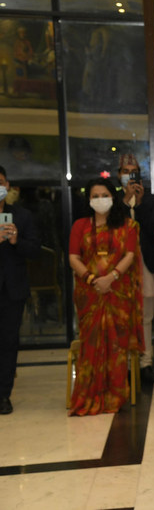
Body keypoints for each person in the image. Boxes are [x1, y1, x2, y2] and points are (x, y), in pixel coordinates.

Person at [68, 177, 142, 416]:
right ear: (88, 200)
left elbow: (130, 255)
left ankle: (114, 396)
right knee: (90, 346)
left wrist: (111, 277)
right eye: (95, 196)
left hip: (118, 294)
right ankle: (88, 395)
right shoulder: (80, 226)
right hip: (89, 295)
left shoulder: (128, 225)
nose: (100, 200)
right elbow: (73, 257)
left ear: (113, 197)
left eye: (104, 195)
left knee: (117, 347)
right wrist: (92, 280)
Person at [0, 166, 41, 415]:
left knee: (8, 343)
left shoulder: (22, 216)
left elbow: (35, 250)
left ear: (7, 185)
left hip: (11, 290)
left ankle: (3, 394)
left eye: (0, 182)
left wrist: (16, 241)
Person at [118, 154, 154, 384]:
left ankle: (146, 363)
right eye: (125, 171)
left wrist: (140, 202)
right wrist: (126, 201)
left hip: (145, 263)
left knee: (146, 317)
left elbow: (152, 229)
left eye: (133, 171)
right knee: (124, 316)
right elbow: (114, 226)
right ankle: (126, 365)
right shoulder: (114, 201)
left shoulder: (152, 200)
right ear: (119, 175)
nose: (129, 175)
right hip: (119, 266)